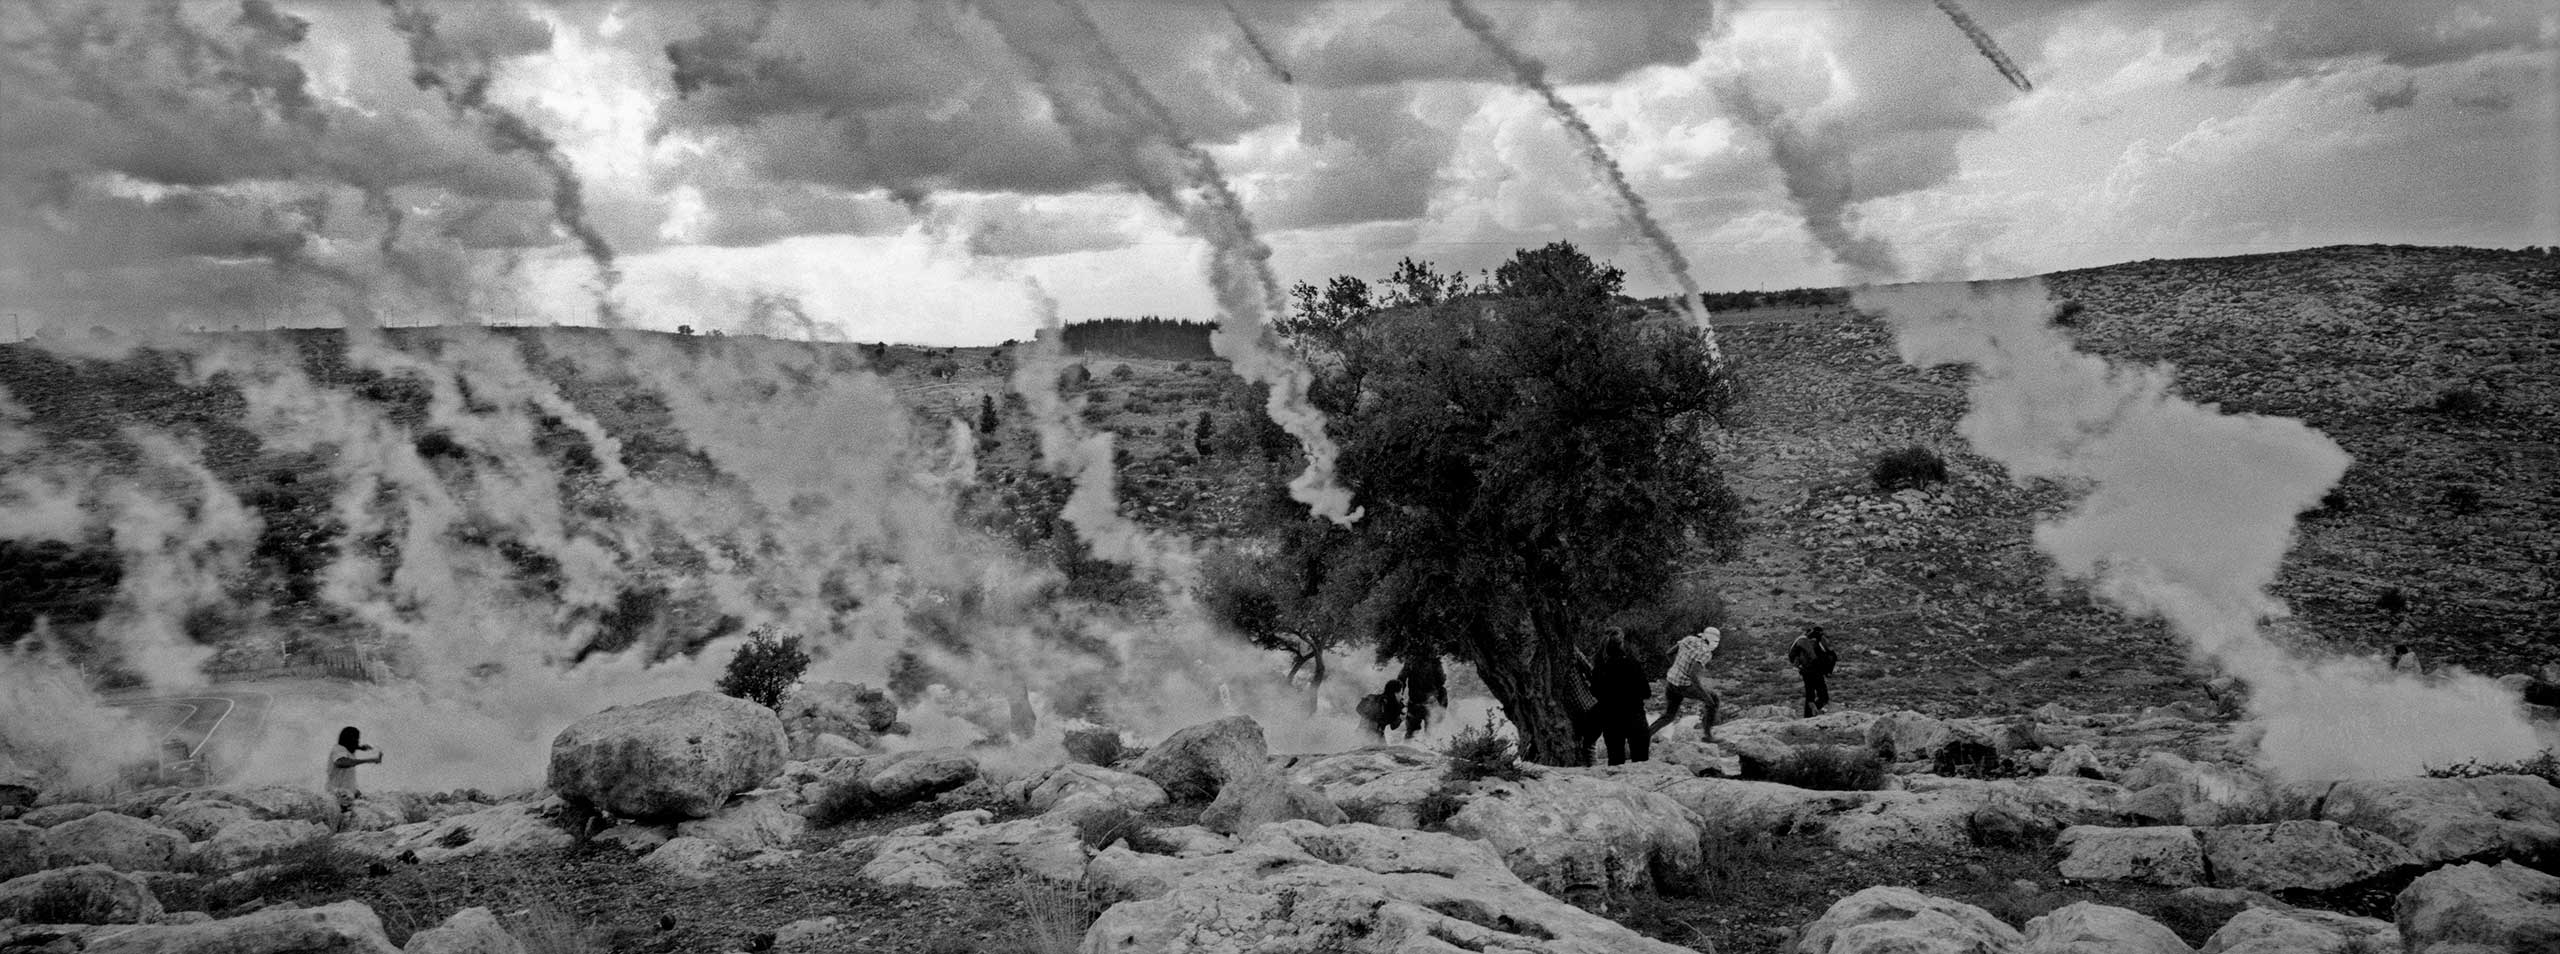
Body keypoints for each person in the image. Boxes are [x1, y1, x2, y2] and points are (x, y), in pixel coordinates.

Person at [1649, 625, 1722, 742]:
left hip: (1671, 681)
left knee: (1668, 716)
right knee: (1713, 699)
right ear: (1713, 641)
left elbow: (1669, 653)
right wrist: (1705, 696)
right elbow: (1693, 675)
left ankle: (1644, 736)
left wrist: (1677, 668)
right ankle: (1707, 735)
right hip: (1684, 686)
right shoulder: (1706, 653)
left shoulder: (1689, 639)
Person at [1589, 629, 1652, 765]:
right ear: (1622, 643)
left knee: (1615, 761)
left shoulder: (1600, 666)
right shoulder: (1632, 663)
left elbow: (1594, 691)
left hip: (1610, 718)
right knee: (1641, 761)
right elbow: (1646, 692)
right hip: (1634, 715)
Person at [1787, 625, 1838, 717]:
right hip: (1813, 671)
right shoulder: (1806, 641)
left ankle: (1808, 716)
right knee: (1821, 696)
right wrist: (1826, 671)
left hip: (1808, 671)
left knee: (1811, 696)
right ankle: (1811, 714)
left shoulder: (1804, 640)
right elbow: (1817, 656)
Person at [326, 726, 383, 800]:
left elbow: (351, 748)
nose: (358, 741)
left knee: (368, 802)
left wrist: (360, 748)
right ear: (349, 740)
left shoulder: (347, 750)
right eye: (356, 739)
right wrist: (369, 760)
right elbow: (340, 762)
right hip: (338, 795)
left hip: (348, 792)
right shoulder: (338, 749)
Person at [1399, 656, 1448, 740]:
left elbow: (1401, 680)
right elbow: (1441, 681)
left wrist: (1400, 696)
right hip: (1428, 702)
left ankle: (1411, 749)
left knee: (1412, 732)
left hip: (1416, 701)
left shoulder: (1411, 661)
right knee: (1430, 732)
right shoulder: (1435, 661)